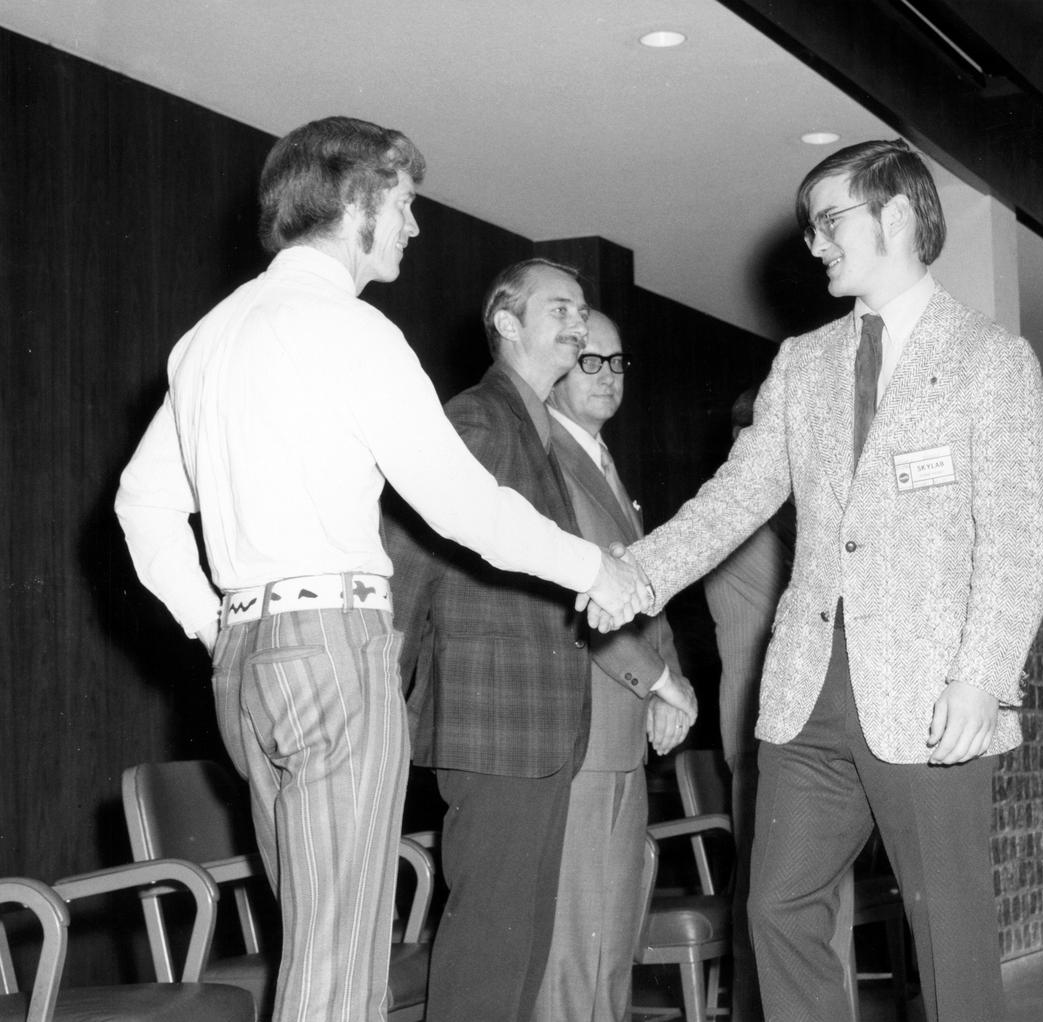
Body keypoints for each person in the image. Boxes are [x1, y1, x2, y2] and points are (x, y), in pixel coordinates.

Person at [114, 118, 645, 1022]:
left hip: (246, 657)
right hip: (332, 649)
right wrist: (593, 566)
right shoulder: (351, 330)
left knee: (318, 935)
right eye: (402, 203)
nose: (413, 225)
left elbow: (141, 503)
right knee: (340, 956)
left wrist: (215, 623)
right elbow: (461, 505)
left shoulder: (208, 337)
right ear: (356, 203)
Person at [620, 138, 1043, 1021]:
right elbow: (734, 498)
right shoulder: (804, 362)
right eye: (811, 228)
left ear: (896, 215)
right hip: (805, 692)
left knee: (950, 934)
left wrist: (983, 678)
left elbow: (1021, 533)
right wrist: (636, 574)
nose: (814, 244)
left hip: (930, 693)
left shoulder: (990, 359)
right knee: (776, 906)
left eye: (829, 223)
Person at [392, 259, 696, 1022]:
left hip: (535, 724)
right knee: (494, 947)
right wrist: (381, 687)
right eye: (559, 309)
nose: (576, 322)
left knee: (520, 949)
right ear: (506, 323)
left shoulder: (526, 425)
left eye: (582, 309)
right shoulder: (481, 418)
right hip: (495, 720)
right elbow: (408, 559)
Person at [529, 310, 696, 1021]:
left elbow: (643, 592)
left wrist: (670, 681)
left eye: (617, 362)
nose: (607, 377)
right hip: (580, 732)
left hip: (622, 733)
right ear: (557, 366)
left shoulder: (601, 460)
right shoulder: (546, 460)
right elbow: (571, 599)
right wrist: (660, 681)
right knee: (573, 950)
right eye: (588, 360)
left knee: (611, 941)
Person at [702, 387, 795, 1022]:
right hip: (762, 733)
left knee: (794, 898)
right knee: (773, 897)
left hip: (788, 729)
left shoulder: (768, 513)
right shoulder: (734, 513)